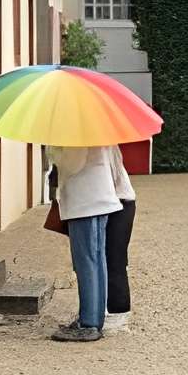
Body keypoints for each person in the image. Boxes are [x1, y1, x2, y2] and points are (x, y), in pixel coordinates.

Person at [47, 138, 129, 342]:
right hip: (95, 200)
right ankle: (93, 318)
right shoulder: (94, 126)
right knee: (95, 262)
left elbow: (73, 163)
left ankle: (89, 323)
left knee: (87, 264)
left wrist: (53, 150)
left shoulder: (76, 130)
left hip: (86, 202)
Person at [105, 149, 138, 320]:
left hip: (121, 204)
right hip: (115, 204)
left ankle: (119, 313)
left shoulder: (108, 147)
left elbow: (110, 176)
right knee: (111, 260)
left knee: (115, 260)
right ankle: (111, 309)